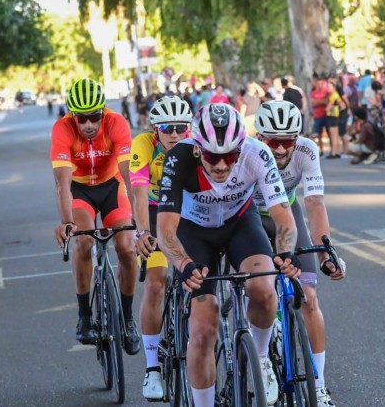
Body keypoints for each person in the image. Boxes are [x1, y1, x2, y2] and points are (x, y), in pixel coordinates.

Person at [156, 103, 304, 406]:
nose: (222, 165)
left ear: (241, 148)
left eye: (230, 156)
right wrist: (183, 264)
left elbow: (283, 217)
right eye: (213, 157)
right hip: (194, 231)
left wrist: (286, 252)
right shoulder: (179, 157)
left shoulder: (257, 153)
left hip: (240, 224)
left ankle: (261, 358)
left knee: (263, 289)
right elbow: (166, 230)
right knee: (202, 330)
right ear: (198, 149)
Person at [253, 100, 345, 406]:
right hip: (249, 217)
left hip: (288, 215)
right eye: (272, 141)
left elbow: (315, 203)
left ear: (297, 138)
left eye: (287, 141)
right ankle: (260, 356)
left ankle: (318, 387)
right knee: (259, 289)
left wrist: (325, 253)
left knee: (309, 296)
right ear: (259, 138)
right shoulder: (247, 153)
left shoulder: (306, 151)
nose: (280, 149)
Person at [51, 78, 141, 354]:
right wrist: (68, 222)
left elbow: (129, 175)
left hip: (112, 186)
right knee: (85, 241)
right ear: (72, 116)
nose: (88, 124)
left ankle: (127, 319)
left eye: (94, 117)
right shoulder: (62, 129)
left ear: (103, 112)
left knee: (127, 247)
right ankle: (84, 316)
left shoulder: (117, 123)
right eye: (82, 119)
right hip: (80, 190)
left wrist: (140, 220)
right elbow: (63, 184)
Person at [127, 96, 193, 400]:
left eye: (181, 127)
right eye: (168, 127)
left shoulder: (194, 144)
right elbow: (139, 193)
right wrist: (141, 230)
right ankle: (152, 368)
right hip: (154, 213)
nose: (175, 134)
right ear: (156, 128)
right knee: (155, 283)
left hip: (187, 213)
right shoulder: (143, 144)